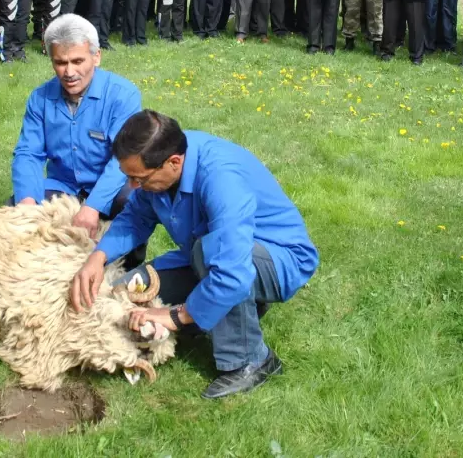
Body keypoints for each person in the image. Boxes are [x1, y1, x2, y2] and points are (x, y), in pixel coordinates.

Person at [70, 110, 319, 399]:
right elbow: (136, 217)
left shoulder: (221, 177)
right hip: (209, 255)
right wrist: (98, 257)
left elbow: (232, 271)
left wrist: (176, 316)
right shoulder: (163, 160)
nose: (134, 187)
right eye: (129, 178)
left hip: (277, 260)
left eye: (139, 179)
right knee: (128, 288)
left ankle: (252, 360)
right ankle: (239, 311)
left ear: (174, 162)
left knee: (210, 254)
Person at [11, 14, 143, 248]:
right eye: (60, 63)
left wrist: (93, 206)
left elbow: (122, 159)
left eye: (77, 61)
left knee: (136, 200)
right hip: (63, 185)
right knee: (14, 208)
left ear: (96, 57)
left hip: (111, 185)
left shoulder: (123, 95)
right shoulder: (39, 98)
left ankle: (130, 263)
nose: (69, 72)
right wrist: (27, 203)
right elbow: (28, 153)